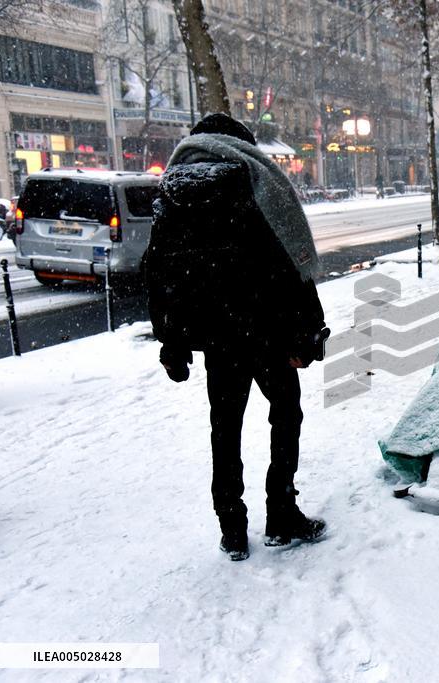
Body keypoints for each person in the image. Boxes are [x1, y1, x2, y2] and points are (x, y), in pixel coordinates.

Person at [144, 113, 329, 562]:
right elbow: (287, 262)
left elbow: (161, 271)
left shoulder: (170, 190)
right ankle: (281, 514)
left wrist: (171, 341)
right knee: (285, 418)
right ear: (239, 144)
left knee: (224, 429)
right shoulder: (255, 180)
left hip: (217, 339)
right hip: (268, 331)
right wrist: (307, 331)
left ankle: (231, 529)